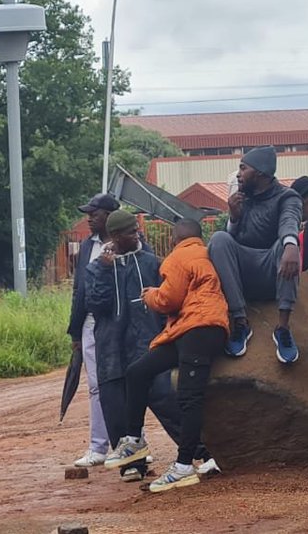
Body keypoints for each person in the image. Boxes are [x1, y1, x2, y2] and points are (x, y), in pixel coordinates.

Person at [104, 219, 228, 492]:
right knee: (138, 371)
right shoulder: (207, 253)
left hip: (198, 329)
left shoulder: (177, 257)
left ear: (174, 239)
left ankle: (183, 466)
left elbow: (168, 300)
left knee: (188, 397)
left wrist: (150, 295)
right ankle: (134, 441)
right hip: (193, 329)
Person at [85, 209, 186, 482]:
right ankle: (132, 464)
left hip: (148, 344)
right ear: (116, 236)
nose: (137, 234)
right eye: (131, 231)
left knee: (166, 399)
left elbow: (167, 301)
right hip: (112, 350)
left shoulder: (152, 263)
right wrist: (105, 271)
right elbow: (96, 304)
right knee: (116, 407)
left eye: (136, 229)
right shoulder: (97, 268)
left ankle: (198, 452)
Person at [208, 145, 303, 363]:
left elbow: (289, 221)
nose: (238, 174)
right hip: (244, 275)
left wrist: (291, 245)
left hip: (272, 271)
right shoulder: (242, 198)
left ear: (260, 173)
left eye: (243, 168)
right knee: (219, 239)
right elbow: (230, 243)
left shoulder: (287, 197)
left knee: (287, 244)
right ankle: (241, 322)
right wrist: (234, 217)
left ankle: (283, 328)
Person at [67, 193, 120, 468]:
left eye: (94, 214)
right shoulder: (88, 245)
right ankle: (98, 447)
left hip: (118, 321)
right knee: (96, 386)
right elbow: (79, 289)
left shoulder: (129, 242)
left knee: (122, 383)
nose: (89, 219)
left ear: (109, 216)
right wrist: (75, 331)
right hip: (90, 322)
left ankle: (131, 443)